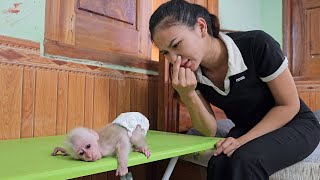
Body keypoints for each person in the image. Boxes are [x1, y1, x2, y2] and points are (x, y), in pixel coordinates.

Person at [149, 0, 320, 179]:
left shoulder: (257, 44)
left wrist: (242, 141)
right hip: (248, 126)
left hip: (295, 123)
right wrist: (188, 94)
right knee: (218, 160)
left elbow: (289, 105)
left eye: (176, 45)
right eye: (166, 53)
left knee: (246, 159)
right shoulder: (189, 69)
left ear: (201, 28)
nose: (174, 58)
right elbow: (209, 130)